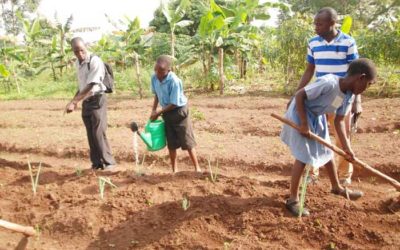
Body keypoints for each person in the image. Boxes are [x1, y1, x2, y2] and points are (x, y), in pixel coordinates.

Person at [281, 58, 377, 217]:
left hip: (316, 117)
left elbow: (339, 121)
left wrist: (347, 148)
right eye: (368, 84)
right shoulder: (329, 83)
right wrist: (304, 124)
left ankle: (336, 187)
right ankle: (292, 199)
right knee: (303, 156)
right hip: (300, 113)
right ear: (361, 77)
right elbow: (299, 96)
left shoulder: (348, 96)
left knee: (327, 151)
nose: (366, 89)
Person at [294, 7, 361, 185]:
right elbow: (309, 70)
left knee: (341, 135)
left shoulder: (348, 42)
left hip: (340, 97)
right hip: (318, 96)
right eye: (315, 23)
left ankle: (344, 175)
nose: (315, 27)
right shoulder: (313, 43)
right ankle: (313, 173)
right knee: (314, 134)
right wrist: (297, 94)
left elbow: (357, 74)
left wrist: (357, 101)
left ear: (332, 23)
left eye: (319, 23)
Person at [64, 37, 116, 170]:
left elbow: (92, 84)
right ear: (73, 51)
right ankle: (96, 163)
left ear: (85, 47)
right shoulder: (78, 63)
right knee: (90, 133)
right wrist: (73, 101)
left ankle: (109, 162)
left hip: (97, 99)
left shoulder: (94, 61)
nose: (80, 54)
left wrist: (75, 101)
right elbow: (82, 86)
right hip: (86, 101)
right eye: (76, 51)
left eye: (81, 50)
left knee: (99, 132)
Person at [149, 55, 201, 173]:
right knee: (171, 142)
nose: (158, 74)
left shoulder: (174, 81)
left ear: (169, 70)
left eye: (161, 71)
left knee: (187, 140)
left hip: (179, 111)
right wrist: (154, 110)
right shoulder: (154, 78)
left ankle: (197, 168)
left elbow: (174, 103)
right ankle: (174, 170)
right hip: (166, 112)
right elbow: (157, 94)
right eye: (156, 70)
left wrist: (158, 113)